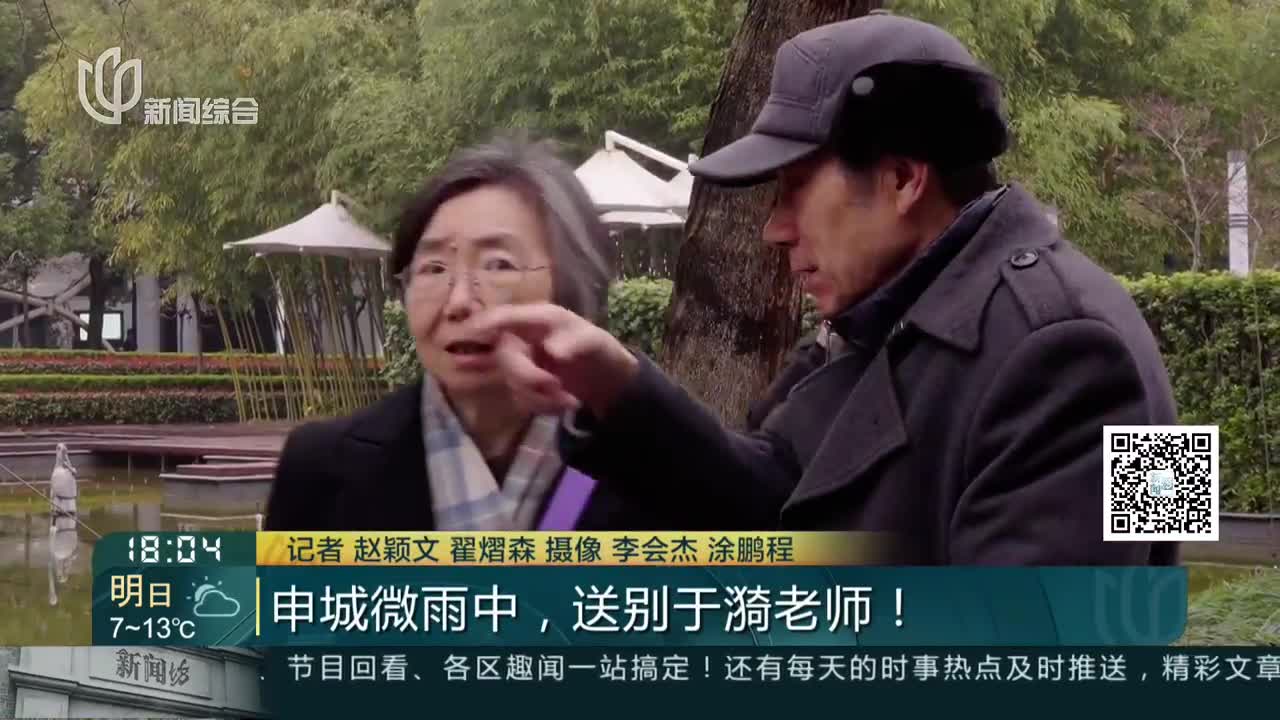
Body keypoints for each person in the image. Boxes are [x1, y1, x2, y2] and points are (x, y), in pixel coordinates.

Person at [465, 13, 1181, 564]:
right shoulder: (893, 319)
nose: (775, 229)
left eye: (796, 188)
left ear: (902, 179)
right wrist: (615, 388)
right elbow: (779, 499)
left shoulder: (1077, 346)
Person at [264, 137, 655, 532]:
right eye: (434, 268)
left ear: (574, 289)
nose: (459, 302)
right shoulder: (320, 467)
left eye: (498, 265)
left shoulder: (649, 464)